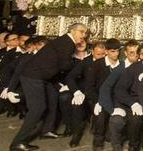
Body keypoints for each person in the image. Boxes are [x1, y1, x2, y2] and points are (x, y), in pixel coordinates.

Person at [8, 23, 86, 151]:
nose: (83, 35)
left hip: (44, 77)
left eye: (85, 33)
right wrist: (78, 68)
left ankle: (46, 131)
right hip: (33, 77)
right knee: (37, 108)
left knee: (52, 100)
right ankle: (18, 142)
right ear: (72, 31)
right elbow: (64, 65)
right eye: (81, 32)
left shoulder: (64, 41)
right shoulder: (68, 43)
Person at [108, 42, 143, 151]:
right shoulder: (133, 68)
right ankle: (133, 145)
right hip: (135, 103)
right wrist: (132, 103)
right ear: (141, 55)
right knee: (135, 119)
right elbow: (120, 89)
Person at [85, 38, 122, 150]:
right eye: (112, 51)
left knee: (111, 133)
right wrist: (98, 101)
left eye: (117, 51)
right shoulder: (97, 65)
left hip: (115, 99)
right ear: (106, 51)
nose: (116, 54)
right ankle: (98, 142)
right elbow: (89, 87)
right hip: (98, 98)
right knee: (100, 116)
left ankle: (111, 134)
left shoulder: (122, 65)